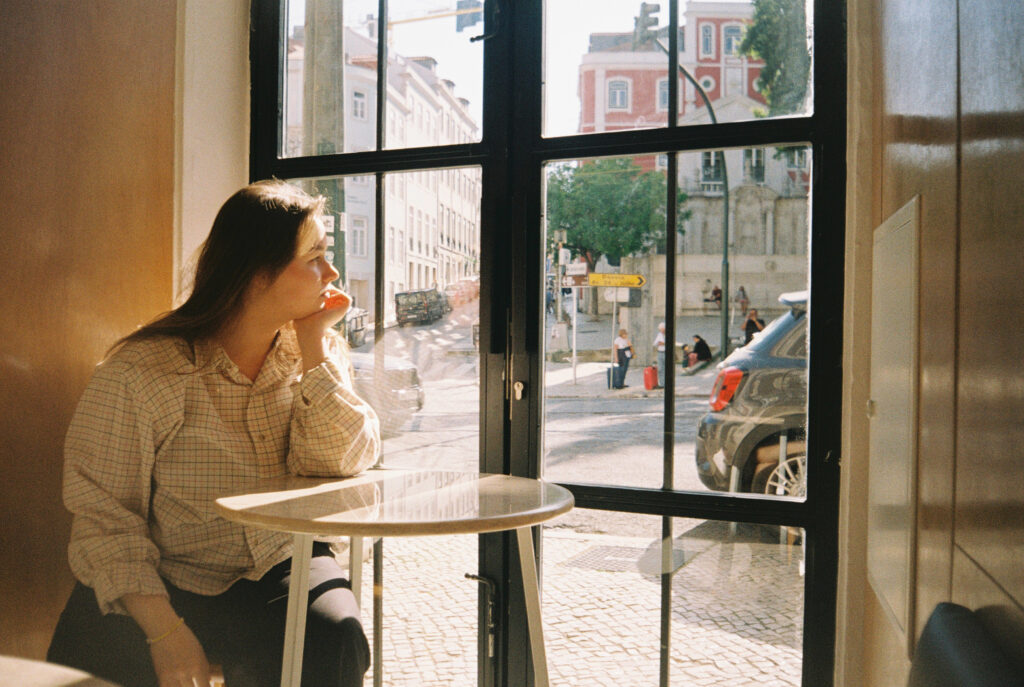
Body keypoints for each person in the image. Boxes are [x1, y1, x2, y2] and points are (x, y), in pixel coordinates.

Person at [47, 180, 379, 687]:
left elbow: (340, 465)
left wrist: (314, 342)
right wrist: (164, 632)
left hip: (282, 561)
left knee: (336, 636)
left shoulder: (316, 354)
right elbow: (105, 516)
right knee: (82, 653)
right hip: (169, 573)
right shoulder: (142, 371)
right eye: (314, 256)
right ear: (254, 271)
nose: (331, 273)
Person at [652, 321, 667, 388]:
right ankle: (662, 384)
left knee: (667, 369)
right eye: (660, 329)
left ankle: (667, 383)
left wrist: (663, 344)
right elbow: (654, 344)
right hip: (660, 353)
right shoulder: (659, 335)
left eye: (662, 329)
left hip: (666, 353)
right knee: (660, 369)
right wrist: (658, 343)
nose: (661, 330)